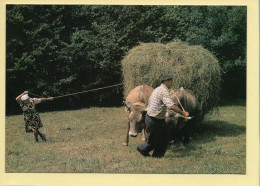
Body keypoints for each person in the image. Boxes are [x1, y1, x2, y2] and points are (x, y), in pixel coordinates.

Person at [137, 74, 189, 158]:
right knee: (153, 141)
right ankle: (142, 149)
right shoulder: (163, 91)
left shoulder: (158, 89)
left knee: (165, 138)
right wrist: (183, 113)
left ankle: (157, 156)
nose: (172, 83)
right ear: (167, 82)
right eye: (171, 81)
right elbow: (171, 106)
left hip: (157, 118)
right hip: (154, 119)